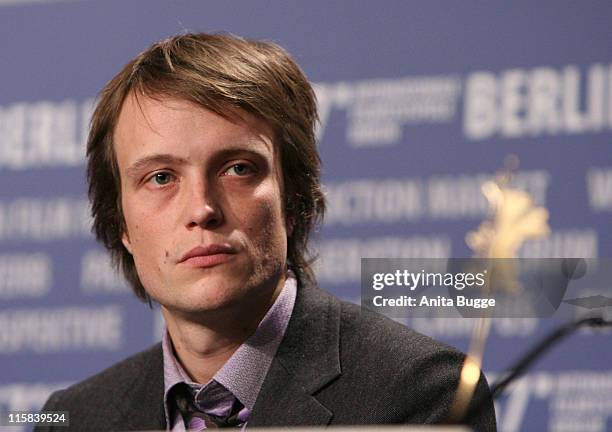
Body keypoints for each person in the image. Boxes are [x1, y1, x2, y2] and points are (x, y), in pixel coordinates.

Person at [36, 32, 496, 431]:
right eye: (160, 177)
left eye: (238, 168)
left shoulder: (418, 395)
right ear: (122, 226)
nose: (202, 208)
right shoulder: (76, 417)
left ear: (293, 198)